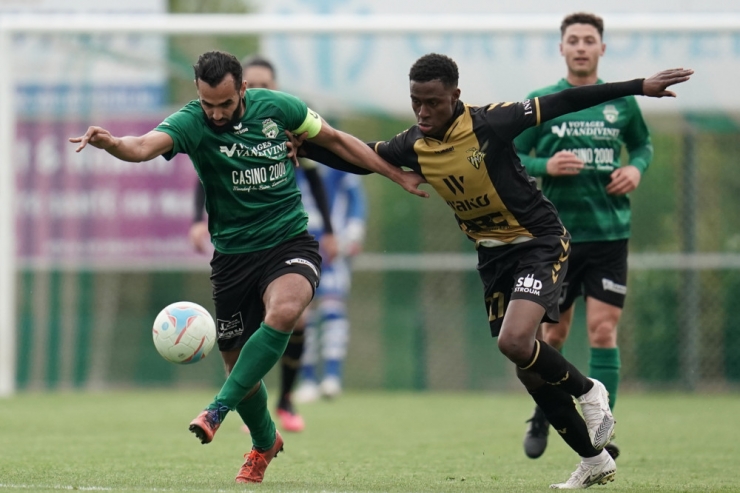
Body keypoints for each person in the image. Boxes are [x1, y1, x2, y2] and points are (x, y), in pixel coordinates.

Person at [294, 53, 691, 489]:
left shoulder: (491, 123)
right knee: (526, 365)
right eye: (416, 102)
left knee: (516, 341)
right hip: (494, 259)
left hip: (539, 242)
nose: (423, 112)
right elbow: (361, 156)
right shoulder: (414, 144)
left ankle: (588, 391)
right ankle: (594, 461)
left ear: (455, 96)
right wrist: (306, 148)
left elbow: (565, 100)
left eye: (433, 102)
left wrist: (638, 85)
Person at [69, 50, 427, 485]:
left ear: (242, 89)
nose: (216, 114)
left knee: (284, 310)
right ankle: (264, 443)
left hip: (289, 241)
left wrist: (394, 172)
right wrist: (113, 144)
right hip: (233, 257)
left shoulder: (280, 108)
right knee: (237, 361)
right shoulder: (191, 121)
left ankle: (217, 409)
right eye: (208, 104)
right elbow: (143, 146)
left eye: (224, 103)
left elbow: (335, 140)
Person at [514, 12, 653, 462]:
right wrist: (545, 166)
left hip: (611, 235)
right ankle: (544, 415)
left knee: (604, 329)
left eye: (588, 40)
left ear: (601, 49)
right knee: (552, 337)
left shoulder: (622, 105)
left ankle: (599, 427)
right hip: (559, 239)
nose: (580, 47)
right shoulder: (544, 100)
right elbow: (512, 155)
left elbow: (644, 146)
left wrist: (636, 167)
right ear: (561, 48)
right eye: (572, 40)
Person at [188, 55, 338, 433]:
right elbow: (202, 178)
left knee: (292, 312)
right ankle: (262, 433)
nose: (255, 92)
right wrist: (196, 221)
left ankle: (281, 400)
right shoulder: (210, 129)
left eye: (262, 85)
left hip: (285, 238)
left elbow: (321, 172)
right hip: (236, 252)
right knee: (236, 353)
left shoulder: (286, 123)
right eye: (251, 84)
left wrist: (332, 229)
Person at [293, 164, 367, 402]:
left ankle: (332, 377)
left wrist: (354, 234)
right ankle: (307, 380)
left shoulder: (336, 160)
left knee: (332, 307)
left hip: (333, 246)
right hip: (299, 244)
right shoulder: (289, 160)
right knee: (301, 314)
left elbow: (356, 198)